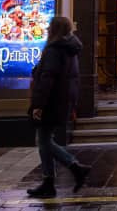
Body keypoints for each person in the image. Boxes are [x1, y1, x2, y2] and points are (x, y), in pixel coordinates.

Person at [27, 17, 91, 198]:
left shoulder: (54, 50)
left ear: (55, 30)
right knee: (45, 140)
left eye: (50, 26)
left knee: (44, 141)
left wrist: (38, 105)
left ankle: (75, 167)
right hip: (61, 101)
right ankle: (48, 182)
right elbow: (72, 80)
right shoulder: (70, 50)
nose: (47, 29)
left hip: (50, 102)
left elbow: (48, 78)